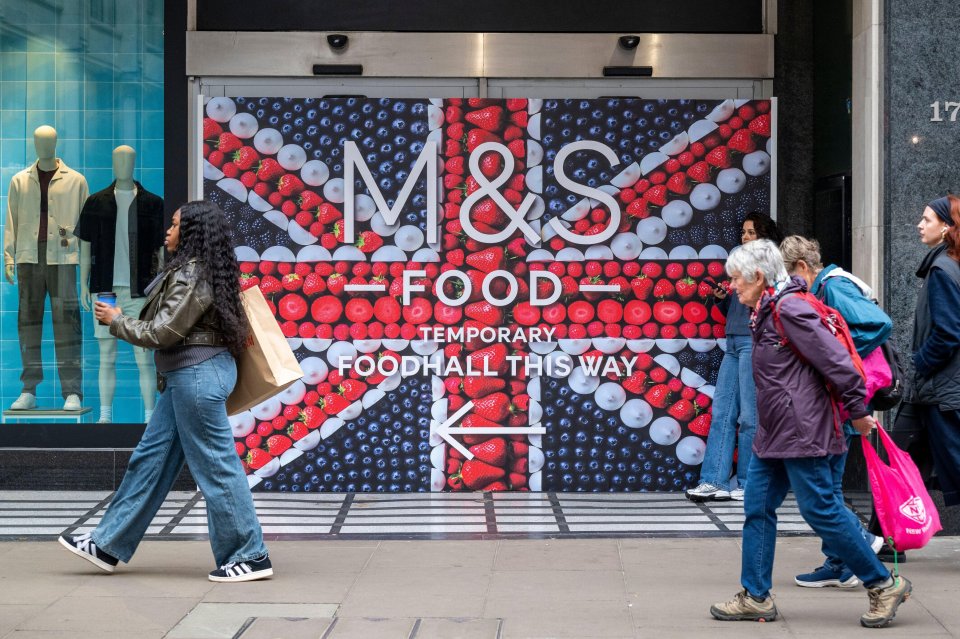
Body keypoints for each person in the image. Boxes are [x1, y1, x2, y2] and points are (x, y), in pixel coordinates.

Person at [58, 200, 272, 583]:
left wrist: (118, 320)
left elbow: (163, 332)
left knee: (217, 469)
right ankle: (107, 543)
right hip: (187, 378)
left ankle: (250, 555)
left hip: (196, 378)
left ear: (191, 233)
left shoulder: (192, 273)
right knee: (150, 460)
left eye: (174, 226)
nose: (167, 232)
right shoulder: (197, 270)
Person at [709, 239, 911, 629]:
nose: (732, 287)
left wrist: (857, 411)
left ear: (757, 276)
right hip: (777, 431)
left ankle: (883, 583)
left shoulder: (792, 309)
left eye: (736, 280)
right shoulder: (768, 310)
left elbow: (839, 365)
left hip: (804, 429)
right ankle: (755, 596)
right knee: (758, 508)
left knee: (821, 509)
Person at [780, 235, 890, 587]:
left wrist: (835, 351)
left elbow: (879, 323)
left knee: (825, 489)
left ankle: (854, 550)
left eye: (787, 275)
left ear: (801, 267)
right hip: (843, 397)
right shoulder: (829, 285)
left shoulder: (833, 286)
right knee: (828, 486)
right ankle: (839, 561)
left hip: (845, 399)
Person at [686, 211, 783, 502]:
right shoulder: (740, 266)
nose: (745, 237)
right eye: (743, 232)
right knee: (723, 414)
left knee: (750, 417)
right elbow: (736, 310)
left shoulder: (772, 266)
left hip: (755, 342)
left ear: (764, 236)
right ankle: (713, 480)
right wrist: (723, 299)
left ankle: (748, 484)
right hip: (733, 341)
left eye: (751, 232)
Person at [909, 195, 960, 513]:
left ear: (946, 228)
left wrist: (920, 364)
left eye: (927, 219)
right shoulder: (948, 265)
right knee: (907, 463)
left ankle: (886, 541)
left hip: (940, 390)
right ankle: (888, 540)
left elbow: (948, 333)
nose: (919, 224)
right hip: (936, 390)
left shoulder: (942, 270)